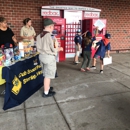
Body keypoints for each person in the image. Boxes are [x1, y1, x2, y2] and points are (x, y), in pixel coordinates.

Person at [36, 18, 63, 98]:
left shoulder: (39, 35)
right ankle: (46, 92)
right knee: (48, 75)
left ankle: (47, 87)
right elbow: (54, 48)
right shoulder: (51, 36)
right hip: (49, 58)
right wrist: (60, 48)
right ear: (51, 27)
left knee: (45, 73)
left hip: (41, 56)